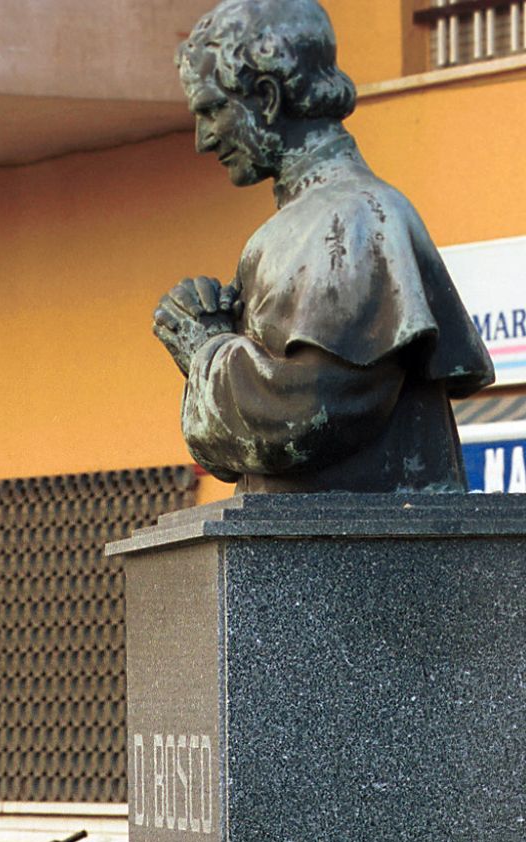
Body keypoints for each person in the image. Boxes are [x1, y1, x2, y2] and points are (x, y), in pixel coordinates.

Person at [151, 0, 492, 493]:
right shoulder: (313, 220)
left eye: (212, 110)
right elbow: (257, 455)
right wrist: (215, 338)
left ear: (267, 98)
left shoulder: (352, 217)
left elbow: (312, 412)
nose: (203, 139)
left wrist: (207, 349)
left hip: (359, 538)